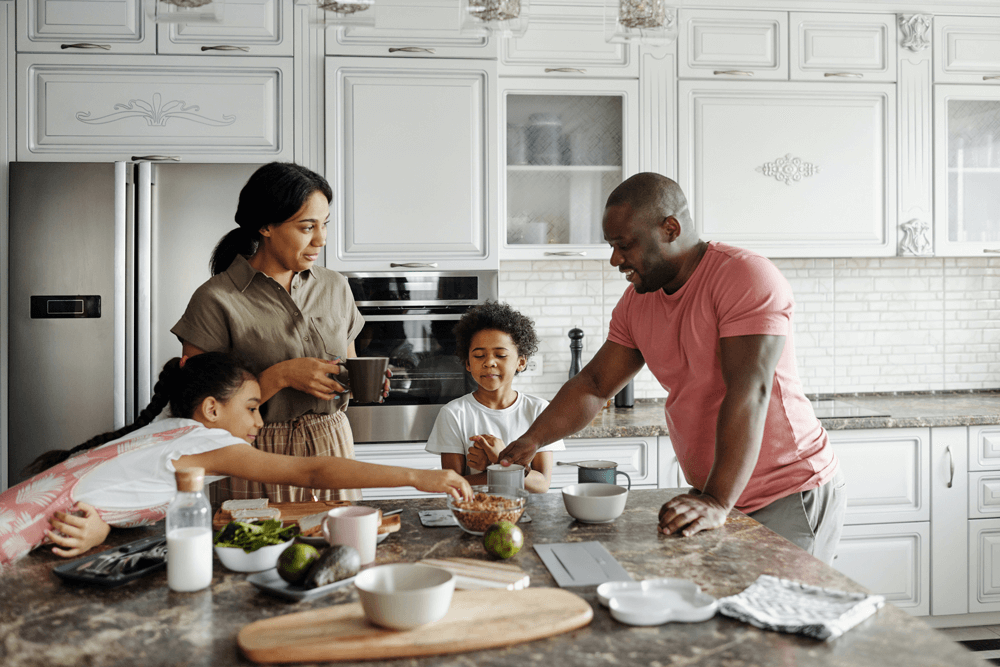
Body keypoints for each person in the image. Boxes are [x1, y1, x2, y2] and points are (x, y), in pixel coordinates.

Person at [497, 172, 846, 564]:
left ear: (670, 228)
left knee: (780, 621)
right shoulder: (637, 302)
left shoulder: (744, 277)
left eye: (624, 245)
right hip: (715, 495)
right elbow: (594, 385)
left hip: (785, 492)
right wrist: (532, 440)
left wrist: (716, 499)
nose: (615, 259)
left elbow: (749, 391)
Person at [0, 353, 471, 567]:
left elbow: (115, 493)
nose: (259, 422)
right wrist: (419, 475)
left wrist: (101, 528)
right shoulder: (202, 441)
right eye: (250, 407)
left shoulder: (165, 432)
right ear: (210, 410)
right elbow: (311, 470)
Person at [171, 162, 385, 503]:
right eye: (306, 227)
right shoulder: (215, 299)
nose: (321, 239)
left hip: (332, 444)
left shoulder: (335, 287)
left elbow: (348, 365)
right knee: (259, 550)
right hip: (256, 454)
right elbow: (197, 412)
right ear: (266, 226)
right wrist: (282, 375)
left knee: (342, 550)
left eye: (324, 224)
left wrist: (359, 380)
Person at [425, 301, 563, 494]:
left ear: (521, 362)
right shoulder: (453, 413)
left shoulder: (539, 410)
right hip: (476, 516)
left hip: (528, 515)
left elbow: (541, 485)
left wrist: (500, 460)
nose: (489, 362)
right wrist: (500, 467)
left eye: (500, 355)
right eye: (479, 356)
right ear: (468, 364)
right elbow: (453, 486)